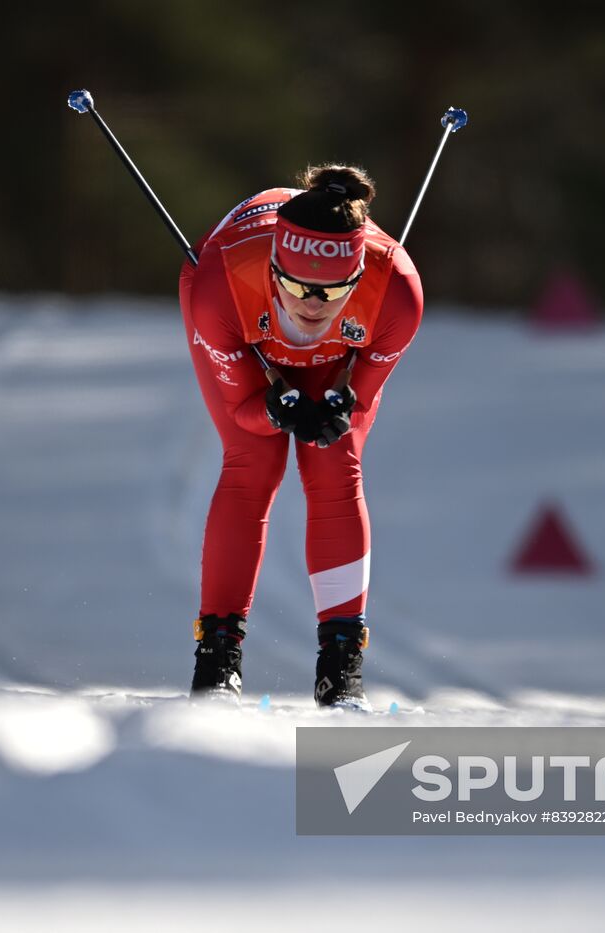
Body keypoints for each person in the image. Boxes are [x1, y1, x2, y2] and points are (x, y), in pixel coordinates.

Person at [177, 164, 424, 709]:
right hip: (244, 326)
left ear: (358, 277)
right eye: (295, 285)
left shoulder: (397, 293)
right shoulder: (221, 284)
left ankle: (341, 665)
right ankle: (217, 660)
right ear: (272, 267)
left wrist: (339, 407)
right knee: (251, 463)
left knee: (336, 465)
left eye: (333, 291)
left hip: (335, 353)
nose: (312, 305)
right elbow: (244, 411)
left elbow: (355, 399)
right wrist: (274, 410)